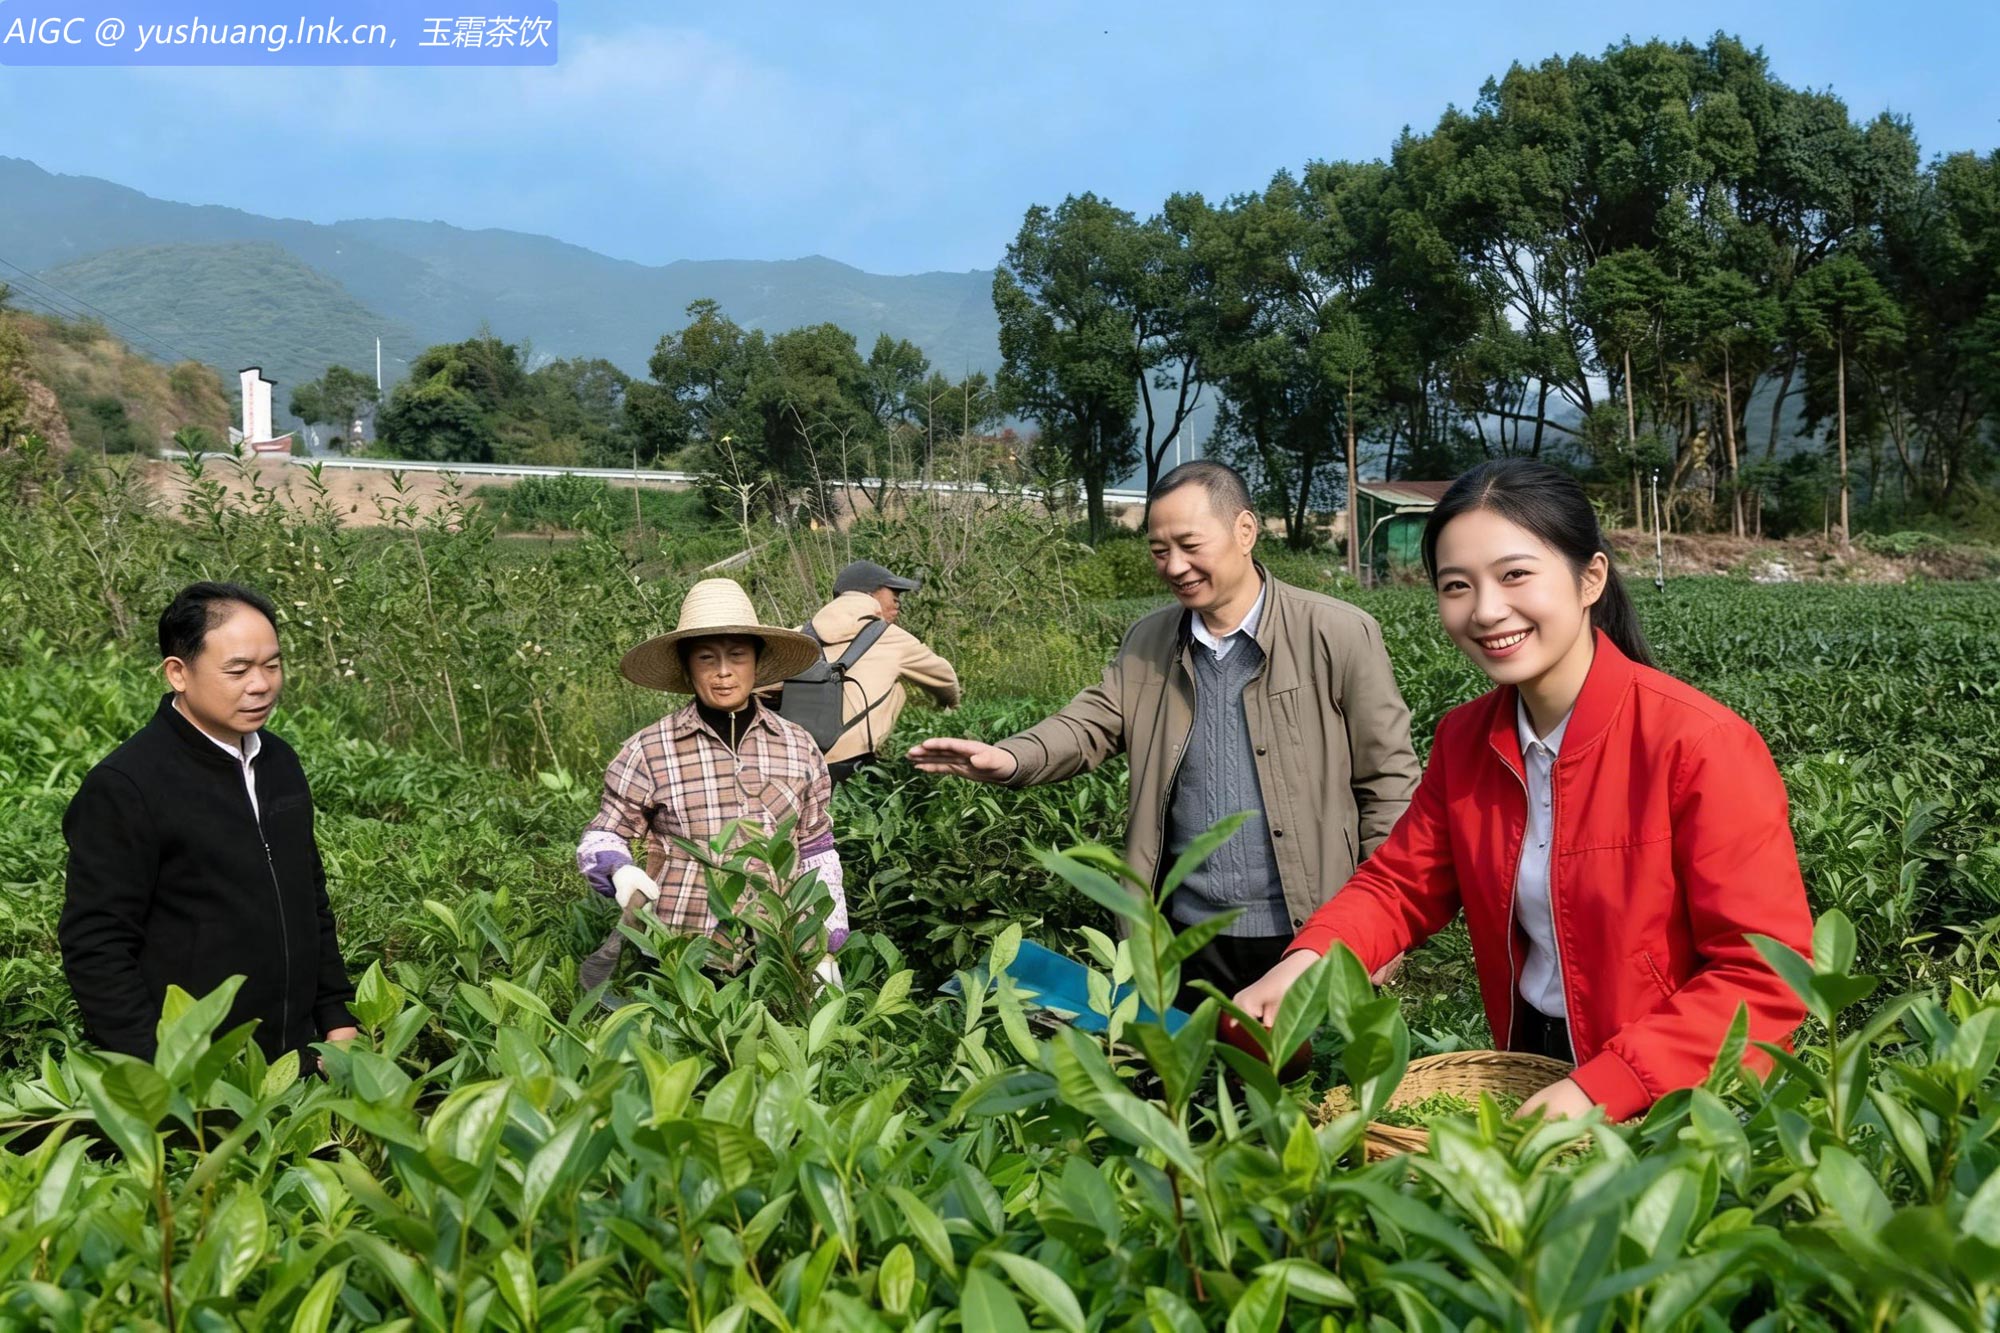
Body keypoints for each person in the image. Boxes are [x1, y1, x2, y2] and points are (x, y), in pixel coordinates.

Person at [1233, 459, 1814, 1122]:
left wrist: (1603, 1085)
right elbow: (1401, 883)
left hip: (1683, 1086)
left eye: (1515, 575)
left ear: (1589, 577)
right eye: (1457, 585)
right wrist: (1309, 957)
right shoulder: (1467, 740)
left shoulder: (1698, 744)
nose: (1485, 610)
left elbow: (1763, 975)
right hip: (1533, 1058)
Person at [908, 461, 1421, 1008]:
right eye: (1159, 550)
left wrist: (1381, 921)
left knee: (1309, 1089)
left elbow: (1387, 779)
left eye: (1190, 544)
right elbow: (1090, 720)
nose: (1175, 566)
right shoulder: (1149, 640)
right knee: (1189, 1085)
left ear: (1245, 531)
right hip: (1182, 935)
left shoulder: (1336, 632)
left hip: (1308, 930)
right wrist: (1011, 758)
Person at [58, 582, 358, 1065]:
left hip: (302, 1063)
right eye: (237, 670)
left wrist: (337, 1017)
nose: (261, 684)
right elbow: (96, 948)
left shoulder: (279, 763)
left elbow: (308, 899)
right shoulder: (126, 785)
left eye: (272, 665)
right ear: (178, 672)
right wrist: (165, 1072)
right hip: (201, 1076)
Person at [577, 578, 849, 967]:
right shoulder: (650, 749)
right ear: (688, 669)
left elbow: (816, 846)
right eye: (706, 658)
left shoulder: (798, 745)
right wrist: (617, 870)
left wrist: (827, 941)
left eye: (737, 656)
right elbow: (605, 831)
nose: (723, 672)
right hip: (680, 951)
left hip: (779, 947)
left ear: (756, 664)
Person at [807, 560, 961, 782]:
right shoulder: (893, 638)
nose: (898, 602)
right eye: (894, 594)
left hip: (802, 764)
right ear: (870, 595)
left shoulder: (798, 637)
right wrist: (952, 708)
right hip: (857, 771)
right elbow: (945, 679)